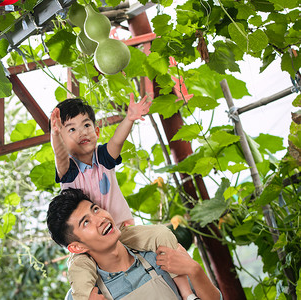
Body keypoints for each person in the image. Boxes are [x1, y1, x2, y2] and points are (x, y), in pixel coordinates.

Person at [50, 96, 193, 299]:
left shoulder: (103, 158)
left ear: (96, 131)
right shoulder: (69, 171)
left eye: (87, 125)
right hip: (86, 248)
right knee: (79, 279)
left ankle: (188, 294)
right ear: (62, 141)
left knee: (162, 234)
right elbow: (59, 155)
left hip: (121, 231)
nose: (82, 132)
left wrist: (130, 119)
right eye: (71, 129)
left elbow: (117, 140)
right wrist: (55, 135)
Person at [46, 188, 222, 300]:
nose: (100, 219)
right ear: (77, 247)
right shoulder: (85, 295)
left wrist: (194, 270)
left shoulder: (160, 257)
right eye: (86, 222)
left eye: (96, 209)